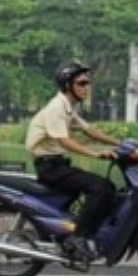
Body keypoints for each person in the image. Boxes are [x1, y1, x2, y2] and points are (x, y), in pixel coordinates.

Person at [26, 61, 119, 260]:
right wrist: (95, 154)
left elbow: (89, 130)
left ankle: (90, 234)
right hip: (49, 168)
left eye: (88, 83)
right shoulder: (56, 108)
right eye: (82, 83)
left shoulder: (67, 107)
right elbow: (65, 141)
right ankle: (77, 238)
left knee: (109, 187)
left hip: (58, 165)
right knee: (99, 187)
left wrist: (120, 143)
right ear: (68, 85)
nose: (87, 87)